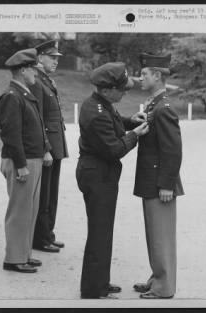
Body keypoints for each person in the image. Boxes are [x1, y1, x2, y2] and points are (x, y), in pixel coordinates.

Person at [76, 62, 149, 299]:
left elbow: (114, 122)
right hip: (98, 175)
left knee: (103, 231)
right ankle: (92, 289)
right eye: (122, 89)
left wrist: (130, 121)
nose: (125, 92)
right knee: (99, 232)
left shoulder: (102, 104)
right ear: (106, 90)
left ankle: (99, 281)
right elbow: (113, 149)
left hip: (101, 173)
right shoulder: (95, 113)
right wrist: (133, 135)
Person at [0, 48, 53, 273]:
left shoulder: (24, 94)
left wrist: (45, 149)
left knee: (30, 210)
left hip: (32, 160)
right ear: (22, 70)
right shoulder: (12, 97)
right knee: (19, 211)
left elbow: (35, 126)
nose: (36, 74)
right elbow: (11, 134)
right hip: (22, 162)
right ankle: (14, 258)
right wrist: (20, 165)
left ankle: (24, 254)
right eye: (33, 69)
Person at [133, 53, 184, 299]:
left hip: (159, 184)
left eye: (144, 74)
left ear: (158, 76)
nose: (140, 77)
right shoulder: (155, 104)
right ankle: (157, 278)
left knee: (161, 236)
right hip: (151, 181)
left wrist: (166, 185)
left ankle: (163, 287)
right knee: (154, 234)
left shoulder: (164, 108)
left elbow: (172, 150)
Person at [30, 40, 69, 253]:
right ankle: (41, 237)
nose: (56, 61)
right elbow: (38, 119)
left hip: (56, 145)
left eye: (57, 58)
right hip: (47, 146)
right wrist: (45, 148)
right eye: (52, 57)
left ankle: (48, 234)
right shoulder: (36, 81)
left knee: (52, 193)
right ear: (39, 58)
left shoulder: (46, 80)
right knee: (44, 194)